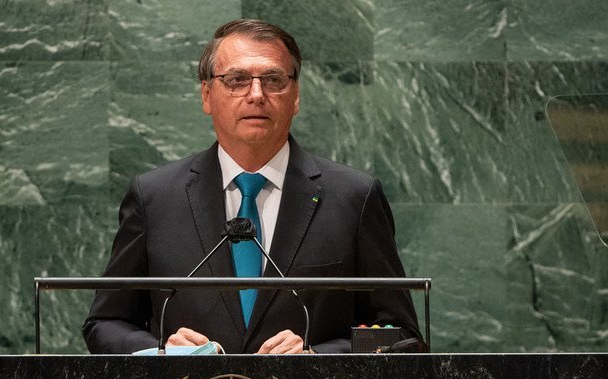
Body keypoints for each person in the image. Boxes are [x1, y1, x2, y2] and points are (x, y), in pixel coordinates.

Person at [83, 19, 422, 354]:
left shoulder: (353, 197)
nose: (257, 94)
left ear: (296, 96)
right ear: (206, 95)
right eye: (237, 80)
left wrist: (319, 355)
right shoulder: (155, 197)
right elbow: (105, 323)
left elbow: (402, 335)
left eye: (274, 80)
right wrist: (160, 350)